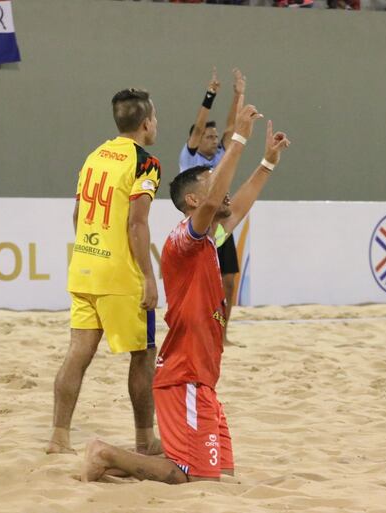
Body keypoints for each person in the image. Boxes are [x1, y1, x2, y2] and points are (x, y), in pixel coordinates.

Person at [82, 97, 291, 484]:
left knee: (222, 472)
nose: (224, 192)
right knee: (193, 479)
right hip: (184, 380)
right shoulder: (185, 241)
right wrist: (238, 139)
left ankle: (117, 464)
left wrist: (267, 163)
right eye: (214, 183)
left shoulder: (210, 239)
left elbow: (236, 209)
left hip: (202, 382)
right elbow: (216, 200)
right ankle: (105, 453)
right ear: (194, 201)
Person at [46, 89, 162, 456]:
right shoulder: (145, 163)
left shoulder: (94, 156)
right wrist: (148, 276)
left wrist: (90, 251)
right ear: (146, 124)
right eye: (155, 118)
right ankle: (145, 440)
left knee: (78, 353)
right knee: (143, 354)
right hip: (119, 275)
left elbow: (77, 215)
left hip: (84, 267)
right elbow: (137, 224)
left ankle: (58, 438)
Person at [180, 68, 245, 345]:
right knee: (197, 284)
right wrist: (211, 95)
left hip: (218, 229)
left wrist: (238, 94)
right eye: (209, 136)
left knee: (228, 280)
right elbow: (198, 127)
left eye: (214, 136)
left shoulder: (220, 154)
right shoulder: (190, 156)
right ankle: (192, 332)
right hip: (198, 229)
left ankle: (222, 335)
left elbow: (232, 128)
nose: (214, 139)